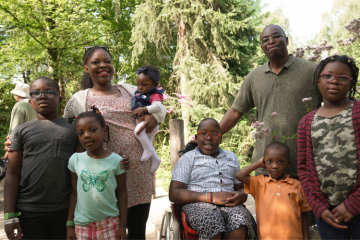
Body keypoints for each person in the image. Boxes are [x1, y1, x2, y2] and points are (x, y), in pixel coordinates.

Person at [63, 45, 166, 240]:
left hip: (137, 173)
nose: (103, 65)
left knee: (137, 232)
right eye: (96, 62)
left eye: (107, 61)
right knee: (108, 233)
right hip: (103, 179)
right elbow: (68, 128)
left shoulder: (130, 90)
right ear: (86, 68)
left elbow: (157, 108)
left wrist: (156, 119)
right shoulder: (80, 99)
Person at [219, 24, 319, 178]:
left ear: (286, 40)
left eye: (276, 36)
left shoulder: (313, 71)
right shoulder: (254, 77)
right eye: (265, 39)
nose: (271, 41)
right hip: (266, 166)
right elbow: (235, 112)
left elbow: (335, 105)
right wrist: (212, 136)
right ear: (262, 48)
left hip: (305, 166)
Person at [4, 77, 84, 240]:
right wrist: (9, 216)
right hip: (28, 211)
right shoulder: (20, 131)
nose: (42, 96)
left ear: (60, 99)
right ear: (30, 101)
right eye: (36, 93)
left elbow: (84, 166)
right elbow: (12, 174)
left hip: (64, 210)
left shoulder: (73, 128)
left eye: (49, 92)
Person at [297, 55, 360, 239]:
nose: (335, 81)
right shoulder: (306, 123)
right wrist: (318, 207)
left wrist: (353, 204)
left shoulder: (357, 113)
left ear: (351, 83)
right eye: (328, 76)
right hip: (326, 212)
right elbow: (303, 169)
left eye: (343, 78)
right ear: (318, 80)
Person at [169, 118, 252, 240]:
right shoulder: (188, 158)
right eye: (203, 133)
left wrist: (242, 196)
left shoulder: (231, 157)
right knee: (211, 219)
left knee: (242, 218)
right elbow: (174, 193)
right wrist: (210, 197)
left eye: (214, 134)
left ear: (220, 139)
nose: (208, 137)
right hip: (198, 204)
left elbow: (240, 188)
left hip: (229, 204)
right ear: (196, 138)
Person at [66, 107, 127, 240]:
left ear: (104, 131)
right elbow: (74, 193)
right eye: (80, 133)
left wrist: (122, 225)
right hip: (82, 225)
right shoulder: (75, 160)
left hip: (109, 224)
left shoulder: (117, 160)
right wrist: (70, 225)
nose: (86, 135)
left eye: (92, 130)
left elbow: (122, 192)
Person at [236, 142, 311, 240]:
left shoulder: (297, 185)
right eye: (270, 161)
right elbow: (240, 175)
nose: (274, 166)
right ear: (264, 162)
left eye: (280, 162)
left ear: (288, 164)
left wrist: (306, 237)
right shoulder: (260, 183)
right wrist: (258, 163)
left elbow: (304, 214)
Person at [131, 65, 164, 173]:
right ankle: (156, 159)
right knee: (147, 141)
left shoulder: (155, 95)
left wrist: (145, 109)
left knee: (137, 131)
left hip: (148, 124)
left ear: (155, 85)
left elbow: (159, 107)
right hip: (145, 124)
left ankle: (149, 150)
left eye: (144, 85)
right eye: (138, 84)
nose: (140, 87)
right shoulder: (141, 93)